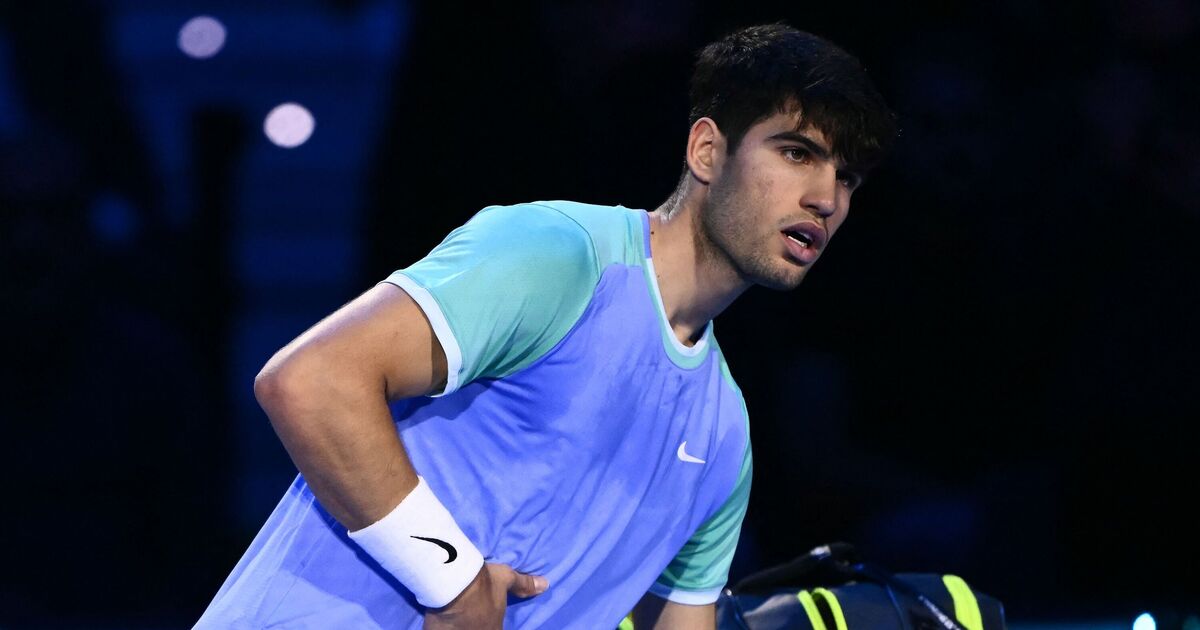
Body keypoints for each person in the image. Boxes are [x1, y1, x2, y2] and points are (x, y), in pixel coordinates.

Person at [196, 22, 896, 630]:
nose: (825, 198)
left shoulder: (723, 440)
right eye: (798, 152)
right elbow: (311, 382)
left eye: (848, 177)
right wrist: (457, 587)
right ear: (708, 150)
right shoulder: (560, 255)